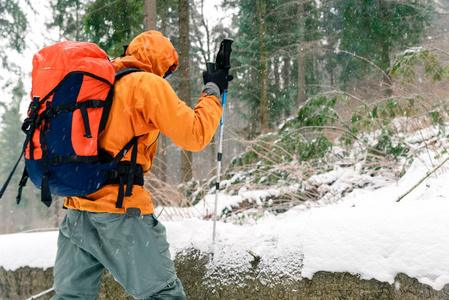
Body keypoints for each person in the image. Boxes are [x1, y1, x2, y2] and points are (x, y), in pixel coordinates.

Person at [51, 31, 231, 299]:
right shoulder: (146, 84)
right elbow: (194, 134)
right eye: (167, 72)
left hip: (77, 211)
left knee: (69, 298)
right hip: (121, 212)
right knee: (162, 295)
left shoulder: (98, 82)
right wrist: (212, 93)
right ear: (161, 66)